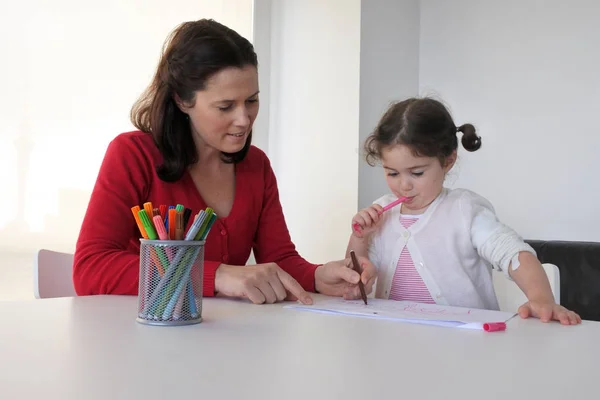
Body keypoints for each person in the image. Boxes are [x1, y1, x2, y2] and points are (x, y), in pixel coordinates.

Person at [73, 19, 373, 305]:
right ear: (181, 100)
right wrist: (216, 275)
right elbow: (90, 268)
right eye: (225, 106)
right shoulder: (132, 154)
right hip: (138, 338)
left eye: (252, 100)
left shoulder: (256, 166)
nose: (244, 120)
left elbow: (279, 261)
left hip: (223, 341)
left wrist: (319, 276)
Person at [347, 97, 581, 325]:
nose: (403, 185)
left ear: (448, 161)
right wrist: (360, 237)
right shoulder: (381, 213)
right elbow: (356, 278)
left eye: (417, 173)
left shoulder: (464, 210)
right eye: (392, 173)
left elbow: (513, 254)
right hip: (395, 338)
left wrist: (541, 298)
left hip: (465, 345)